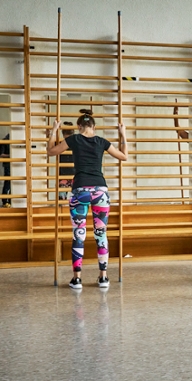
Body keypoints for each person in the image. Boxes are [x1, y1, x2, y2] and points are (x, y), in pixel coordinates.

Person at [47, 109, 128, 289]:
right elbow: (124, 156)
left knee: (79, 234)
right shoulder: (102, 142)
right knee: (101, 234)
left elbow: (51, 151)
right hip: (100, 191)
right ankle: (103, 277)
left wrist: (54, 130)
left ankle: (77, 279)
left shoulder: (73, 139)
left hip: (80, 190)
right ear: (94, 127)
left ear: (78, 126)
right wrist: (123, 135)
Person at [59, 122, 76, 200]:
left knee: (78, 197)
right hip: (63, 175)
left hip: (75, 175)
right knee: (61, 197)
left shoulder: (77, 143)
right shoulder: (60, 143)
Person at [0, 133, 11, 207]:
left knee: (14, 183)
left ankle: (10, 200)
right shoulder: (4, 141)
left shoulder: (16, 140)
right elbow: (1, 154)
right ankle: (5, 201)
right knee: (7, 183)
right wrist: (11, 155)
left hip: (16, 165)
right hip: (8, 165)